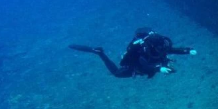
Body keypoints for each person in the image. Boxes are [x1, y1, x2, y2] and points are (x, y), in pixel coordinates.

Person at [69, 27, 197, 78]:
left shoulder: (160, 46)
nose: (162, 49)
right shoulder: (144, 51)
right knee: (116, 73)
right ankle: (99, 53)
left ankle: (99, 52)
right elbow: (145, 65)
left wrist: (187, 50)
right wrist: (159, 69)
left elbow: (172, 49)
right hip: (136, 66)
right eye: (159, 47)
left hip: (152, 64)